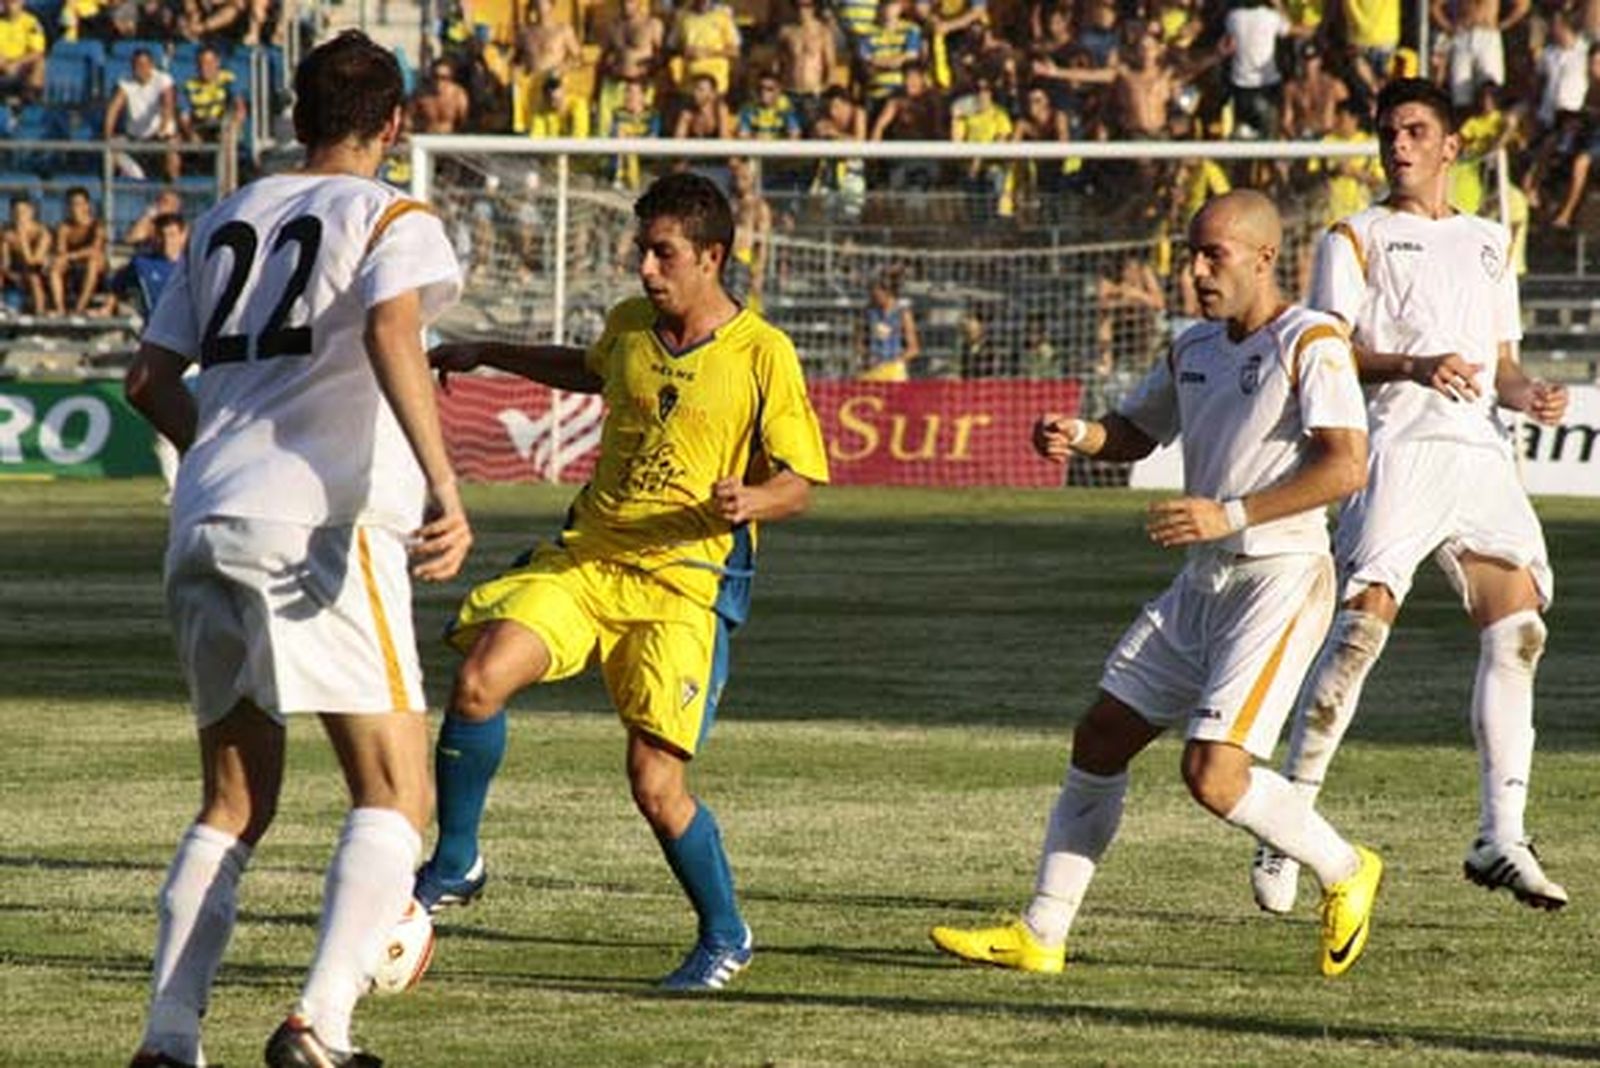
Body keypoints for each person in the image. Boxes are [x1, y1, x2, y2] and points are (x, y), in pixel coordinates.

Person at [121, 31, 472, 1067]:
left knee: (232, 802)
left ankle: (168, 1038)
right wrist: (445, 488)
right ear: (395, 124)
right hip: (319, 526)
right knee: (395, 792)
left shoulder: (229, 213)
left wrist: (226, 459)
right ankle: (321, 1025)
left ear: (294, 117)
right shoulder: (389, 212)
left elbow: (147, 381)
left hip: (204, 521)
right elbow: (391, 331)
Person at [929, 189, 1381, 980]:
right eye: (1191, 254)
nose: (1197, 271)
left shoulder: (1312, 340)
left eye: (1215, 255)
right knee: (1101, 735)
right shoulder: (1193, 346)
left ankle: (1346, 869)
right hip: (1203, 578)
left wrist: (1229, 513)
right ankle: (1042, 932)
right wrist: (1081, 436)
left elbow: (1346, 463)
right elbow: (1138, 431)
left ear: (1266, 258)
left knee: (1213, 775)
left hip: (1279, 576)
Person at [411, 171, 830, 993]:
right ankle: (457, 861)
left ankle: (726, 934)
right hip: (591, 557)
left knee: (654, 782)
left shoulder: (762, 354)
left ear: (711, 257)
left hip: (684, 584)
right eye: (642, 250)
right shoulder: (633, 325)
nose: (645, 267)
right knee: (478, 680)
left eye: (663, 253)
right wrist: (490, 351)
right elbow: (592, 368)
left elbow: (802, 483)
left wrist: (755, 497)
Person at [1250, 79, 1571, 918]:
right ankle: (1286, 821)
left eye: (1415, 130)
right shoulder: (1354, 236)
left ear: (1450, 147)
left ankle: (1501, 834)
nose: (1398, 145)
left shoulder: (1489, 241)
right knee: (1359, 634)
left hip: (1479, 453)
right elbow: (1325, 353)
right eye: (1389, 131)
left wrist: (1529, 391)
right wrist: (1413, 365)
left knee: (1520, 631)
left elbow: (1497, 364)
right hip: (1394, 447)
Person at [103, 48, 180, 183]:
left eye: (145, 65)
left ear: (152, 65)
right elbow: (113, 109)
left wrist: (163, 125)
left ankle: (172, 188)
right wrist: (107, 134)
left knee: (172, 150)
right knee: (111, 151)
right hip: (134, 136)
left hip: (160, 135)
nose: (141, 69)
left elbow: (167, 102)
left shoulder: (163, 79)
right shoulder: (125, 82)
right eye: (137, 65)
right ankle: (113, 188)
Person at [48, 187, 107, 317]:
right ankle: (60, 308)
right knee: (55, 266)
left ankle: (79, 308)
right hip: (73, 266)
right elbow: (60, 250)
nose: (74, 208)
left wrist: (71, 256)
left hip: (95, 267)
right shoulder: (64, 227)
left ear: (87, 206)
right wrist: (64, 258)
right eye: (71, 204)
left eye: (78, 204)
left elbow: (94, 249)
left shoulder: (97, 225)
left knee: (93, 262)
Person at [858, 266, 921, 380]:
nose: (874, 298)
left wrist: (896, 361)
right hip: (873, 366)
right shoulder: (868, 312)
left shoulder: (902, 313)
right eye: (872, 294)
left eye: (877, 294)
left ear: (887, 292)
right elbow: (859, 343)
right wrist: (866, 357)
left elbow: (914, 349)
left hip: (894, 368)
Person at [1, 196, 51, 315]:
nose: (19, 216)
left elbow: (33, 261)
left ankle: (40, 313)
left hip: (39, 273)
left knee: (33, 277)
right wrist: (9, 273)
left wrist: (22, 238)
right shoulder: (7, 233)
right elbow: (5, 262)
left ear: (31, 212)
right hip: (17, 273)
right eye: (15, 212)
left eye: (23, 212)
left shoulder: (42, 233)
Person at [0, 0, 46, 103]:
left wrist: (16, 64)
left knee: (39, 63)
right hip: (2, 64)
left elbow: (37, 52)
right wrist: (4, 64)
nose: (11, 6)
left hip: (22, 65)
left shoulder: (31, 22)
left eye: (14, 2)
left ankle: (30, 100)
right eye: (8, 2)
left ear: (22, 2)